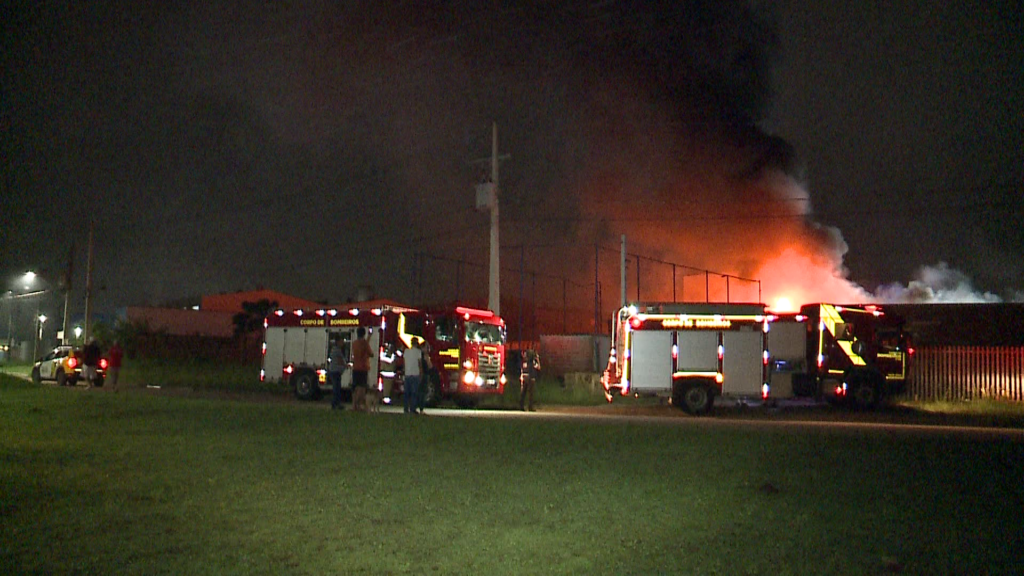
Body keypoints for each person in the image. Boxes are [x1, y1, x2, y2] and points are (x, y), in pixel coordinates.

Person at [350, 327, 372, 412]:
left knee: (355, 388)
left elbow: (363, 345)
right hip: (363, 368)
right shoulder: (365, 343)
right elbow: (370, 353)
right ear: (364, 334)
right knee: (362, 387)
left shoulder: (355, 343)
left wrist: (369, 337)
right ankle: (359, 405)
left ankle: (354, 405)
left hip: (355, 367)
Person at [402, 338, 424, 415]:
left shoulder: (406, 351)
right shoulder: (418, 352)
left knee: (406, 393)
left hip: (407, 374)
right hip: (415, 374)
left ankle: (405, 409)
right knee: (414, 393)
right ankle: (412, 409)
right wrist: (421, 373)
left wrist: (404, 372)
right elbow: (420, 364)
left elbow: (404, 363)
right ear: (417, 343)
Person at [328, 335, 347, 410]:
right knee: (337, 388)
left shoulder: (333, 349)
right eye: (341, 341)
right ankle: (336, 404)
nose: (343, 343)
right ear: (338, 342)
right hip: (336, 371)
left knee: (336, 388)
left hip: (333, 370)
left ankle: (335, 403)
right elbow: (340, 361)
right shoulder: (337, 350)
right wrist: (346, 365)